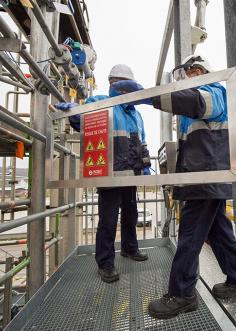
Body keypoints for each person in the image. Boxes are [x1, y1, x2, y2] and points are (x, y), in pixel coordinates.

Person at [147, 54, 236, 319]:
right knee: (219, 230)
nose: (182, 82)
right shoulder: (202, 96)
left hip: (205, 178)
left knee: (190, 235)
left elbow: (196, 102)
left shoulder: (213, 90)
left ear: (197, 70)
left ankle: (182, 294)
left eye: (184, 76)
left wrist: (152, 96)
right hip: (205, 177)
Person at [55, 64, 150, 283]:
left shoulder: (136, 115)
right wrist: (73, 112)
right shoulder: (99, 102)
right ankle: (105, 263)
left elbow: (142, 142)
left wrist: (144, 163)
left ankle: (130, 248)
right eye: (116, 83)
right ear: (112, 84)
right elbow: (82, 122)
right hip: (108, 173)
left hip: (131, 174)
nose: (121, 89)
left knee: (131, 214)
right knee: (108, 219)